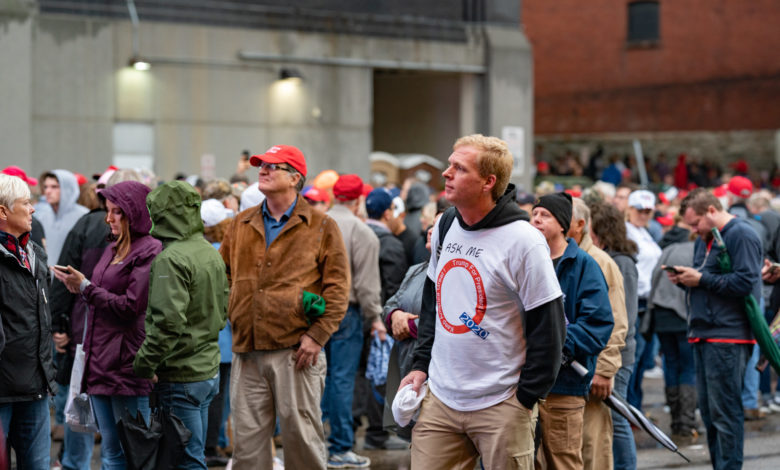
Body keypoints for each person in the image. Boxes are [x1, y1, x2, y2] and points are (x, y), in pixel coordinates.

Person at [400, 134, 567, 469]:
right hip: (441, 399)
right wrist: (420, 366)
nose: (446, 173)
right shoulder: (446, 223)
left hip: (502, 404)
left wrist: (525, 399)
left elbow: (549, 328)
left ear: (488, 182)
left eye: (459, 168)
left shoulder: (524, 241)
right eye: (449, 164)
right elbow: (434, 301)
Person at [219, 145, 349, 470]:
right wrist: (230, 313)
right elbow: (221, 279)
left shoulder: (321, 225)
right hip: (246, 351)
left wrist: (317, 336)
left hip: (297, 352)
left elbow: (338, 288)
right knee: (247, 449)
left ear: (295, 178)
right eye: (261, 165)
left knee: (302, 441)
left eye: (273, 166)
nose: (262, 170)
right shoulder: (239, 225)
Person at [54, 181, 161, 469]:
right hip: (100, 358)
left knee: (132, 451)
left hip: (126, 362)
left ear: (134, 213)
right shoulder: (113, 246)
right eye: (108, 211)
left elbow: (131, 306)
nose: (108, 218)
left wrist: (86, 288)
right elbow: (102, 297)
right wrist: (77, 286)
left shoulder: (149, 250)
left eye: (116, 212)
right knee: (111, 451)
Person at [133, 181, 229, 470]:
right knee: (193, 453)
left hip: (181, 374)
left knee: (185, 458)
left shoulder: (171, 259)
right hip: (206, 369)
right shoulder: (208, 250)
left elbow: (167, 324)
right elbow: (222, 307)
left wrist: (144, 365)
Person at [667, 188, 763, 469]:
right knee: (709, 414)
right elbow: (711, 277)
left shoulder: (741, 233)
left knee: (725, 412)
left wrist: (701, 279)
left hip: (728, 335)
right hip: (704, 332)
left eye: (696, 223)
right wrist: (688, 278)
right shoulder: (706, 238)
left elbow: (746, 283)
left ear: (711, 210)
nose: (694, 230)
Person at [531, 192, 613, 469]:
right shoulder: (527, 260)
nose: (536, 219)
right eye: (534, 214)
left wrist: (554, 342)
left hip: (563, 385)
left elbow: (597, 325)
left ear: (563, 224)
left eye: (545, 215)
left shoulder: (584, 265)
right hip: (523, 384)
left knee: (563, 461)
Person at [322, 173, 382, 467]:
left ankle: (316, 441)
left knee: (319, 378)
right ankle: (340, 447)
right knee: (342, 380)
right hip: (347, 311)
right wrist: (376, 318)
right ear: (359, 200)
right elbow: (368, 286)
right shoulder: (363, 232)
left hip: (314, 311)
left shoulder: (316, 224)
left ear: (334, 196)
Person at [0, 173, 57, 470]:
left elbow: (40, 317)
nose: (34, 208)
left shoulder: (34, 253)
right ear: (3, 211)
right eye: (26, 202)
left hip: (35, 385)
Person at [569, 197, 628, 470]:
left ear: (579, 225)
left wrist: (605, 369)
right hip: (559, 377)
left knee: (592, 450)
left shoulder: (601, 262)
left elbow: (616, 321)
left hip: (590, 373)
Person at [588, 202, 639, 470]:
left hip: (620, 353)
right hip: (610, 351)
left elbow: (624, 316)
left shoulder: (621, 262)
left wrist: (610, 358)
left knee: (617, 418)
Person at [648, 216, 698, 439]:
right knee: (688, 367)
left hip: (663, 315)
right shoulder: (699, 252)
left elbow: (655, 277)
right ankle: (686, 423)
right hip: (685, 317)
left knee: (671, 363)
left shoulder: (670, 249)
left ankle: (676, 419)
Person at [625, 189, 662, 409]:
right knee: (634, 358)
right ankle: (630, 407)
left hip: (648, 301)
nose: (644, 214)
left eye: (648, 211)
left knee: (642, 360)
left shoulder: (645, 233)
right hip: (636, 301)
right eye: (640, 210)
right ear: (630, 209)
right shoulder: (627, 233)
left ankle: (635, 406)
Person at [33, 169, 89, 267]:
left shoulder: (84, 216)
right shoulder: (40, 215)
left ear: (68, 189)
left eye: (54, 187)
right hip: (46, 277)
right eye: (45, 187)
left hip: (71, 277)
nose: (48, 191)